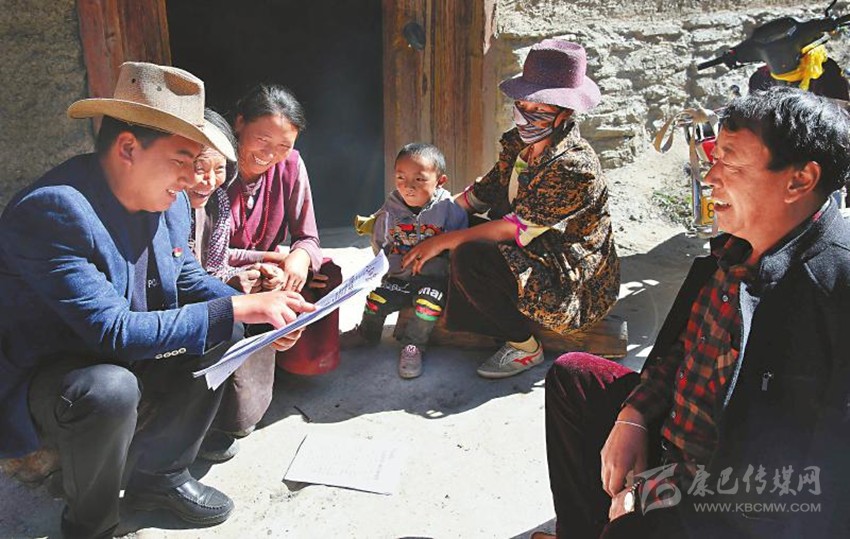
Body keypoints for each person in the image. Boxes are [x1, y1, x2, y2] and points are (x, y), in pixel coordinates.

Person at [0, 62, 315, 538]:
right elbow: (113, 331)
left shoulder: (168, 201)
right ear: (129, 148)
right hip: (54, 376)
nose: (193, 178)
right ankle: (90, 523)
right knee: (111, 389)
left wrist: (266, 312)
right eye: (183, 159)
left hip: (121, 354)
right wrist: (239, 305)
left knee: (224, 328)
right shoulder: (55, 210)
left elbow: (187, 278)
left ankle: (160, 477)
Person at [537, 87, 850, 539]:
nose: (711, 177)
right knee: (575, 377)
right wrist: (634, 415)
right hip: (675, 448)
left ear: (799, 180)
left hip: (729, 506)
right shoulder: (737, 251)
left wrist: (650, 492)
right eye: (713, 159)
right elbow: (687, 348)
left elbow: (803, 483)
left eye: (732, 164)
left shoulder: (833, 294)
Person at [404, 39, 619, 379]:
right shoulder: (521, 143)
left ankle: (523, 346)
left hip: (568, 273)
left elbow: (515, 228)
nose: (524, 116)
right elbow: (484, 192)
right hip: (534, 242)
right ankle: (445, 299)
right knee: (452, 225)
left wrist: (441, 241)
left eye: (538, 109)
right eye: (521, 104)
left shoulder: (574, 167)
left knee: (470, 254)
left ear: (565, 113)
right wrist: (430, 218)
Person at [199, 84, 342, 460]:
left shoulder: (290, 165)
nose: (270, 154)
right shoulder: (213, 170)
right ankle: (240, 395)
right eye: (262, 139)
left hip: (266, 272)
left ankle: (297, 362)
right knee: (243, 418)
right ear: (239, 124)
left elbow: (308, 237)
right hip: (223, 276)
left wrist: (298, 259)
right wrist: (266, 262)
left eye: (283, 145)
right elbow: (207, 255)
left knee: (325, 274)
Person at [341, 143, 468, 378]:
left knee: (428, 306)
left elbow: (459, 246)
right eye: (401, 177)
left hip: (434, 279)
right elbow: (380, 242)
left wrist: (447, 274)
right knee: (375, 300)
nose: (408, 186)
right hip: (400, 277)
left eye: (419, 179)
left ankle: (413, 346)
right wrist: (388, 267)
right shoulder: (390, 210)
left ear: (440, 181)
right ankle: (367, 333)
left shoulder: (450, 210)